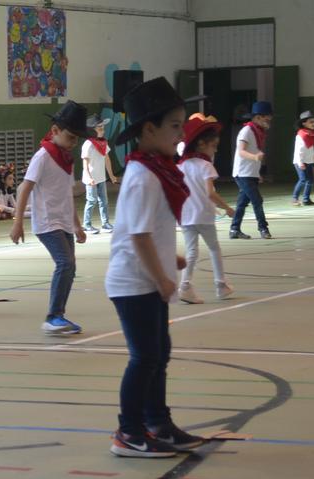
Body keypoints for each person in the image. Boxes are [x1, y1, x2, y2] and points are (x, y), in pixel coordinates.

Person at [105, 77, 207, 458]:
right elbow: (139, 237)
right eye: (175, 126)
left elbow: (153, 232)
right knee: (145, 357)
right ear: (149, 129)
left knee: (159, 354)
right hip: (134, 283)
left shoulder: (157, 170)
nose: (181, 134)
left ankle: (157, 423)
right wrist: (164, 276)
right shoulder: (142, 177)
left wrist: (173, 260)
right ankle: (128, 432)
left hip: (148, 278)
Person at [11, 100, 89, 335]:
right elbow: (24, 188)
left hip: (64, 222)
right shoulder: (43, 156)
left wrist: (77, 226)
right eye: (70, 137)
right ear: (55, 131)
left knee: (70, 267)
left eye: (77, 139)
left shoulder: (66, 160)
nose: (73, 143)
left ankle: (59, 315)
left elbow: (67, 195)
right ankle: (53, 317)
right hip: (47, 223)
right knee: (64, 263)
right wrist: (17, 224)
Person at [178, 113, 235, 304]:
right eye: (214, 146)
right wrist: (226, 207)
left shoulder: (181, 165)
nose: (215, 151)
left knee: (191, 251)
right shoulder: (206, 166)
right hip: (203, 214)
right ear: (202, 144)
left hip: (186, 215)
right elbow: (210, 193)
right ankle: (221, 285)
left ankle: (185, 285)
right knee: (214, 248)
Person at [230, 101, 273, 239]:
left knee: (242, 203)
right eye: (267, 117)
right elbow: (241, 151)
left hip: (250, 173)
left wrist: (257, 173)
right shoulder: (247, 131)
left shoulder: (259, 133)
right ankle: (263, 228)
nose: (269, 120)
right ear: (258, 117)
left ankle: (234, 229)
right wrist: (255, 157)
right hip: (242, 173)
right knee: (257, 200)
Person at [81, 116, 119, 233]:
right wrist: (89, 177)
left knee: (104, 201)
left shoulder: (103, 143)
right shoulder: (88, 144)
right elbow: (85, 164)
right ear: (92, 130)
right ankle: (87, 225)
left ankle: (105, 223)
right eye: (100, 127)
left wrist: (111, 175)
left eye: (103, 127)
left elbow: (107, 160)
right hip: (91, 179)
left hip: (101, 178)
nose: (103, 129)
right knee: (91, 201)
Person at [292, 111, 314, 206]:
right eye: (311, 122)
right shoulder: (301, 135)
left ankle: (306, 199)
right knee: (303, 179)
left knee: (310, 180)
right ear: (304, 123)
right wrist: (300, 163)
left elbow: (311, 147)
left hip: (308, 161)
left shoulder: (311, 134)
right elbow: (299, 150)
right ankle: (294, 199)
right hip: (300, 162)